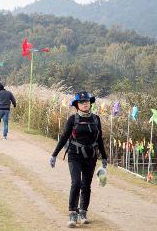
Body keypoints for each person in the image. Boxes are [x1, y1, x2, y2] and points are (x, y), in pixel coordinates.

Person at [49, 91, 107, 228]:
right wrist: (54, 154)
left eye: (86, 101)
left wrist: (104, 157)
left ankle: (83, 213)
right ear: (77, 105)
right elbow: (64, 137)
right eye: (81, 102)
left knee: (86, 185)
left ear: (90, 103)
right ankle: (72, 213)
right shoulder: (72, 119)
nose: (85, 104)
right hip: (74, 155)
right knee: (76, 183)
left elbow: (99, 139)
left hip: (91, 156)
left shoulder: (96, 119)